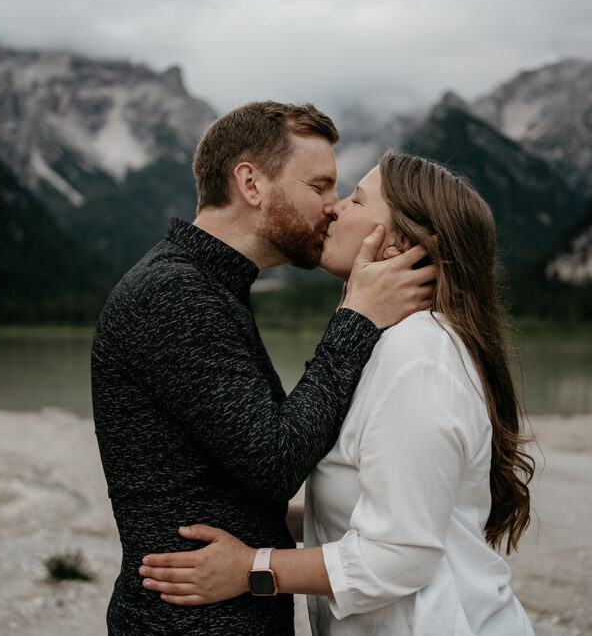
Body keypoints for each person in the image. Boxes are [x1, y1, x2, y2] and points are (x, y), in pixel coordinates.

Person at [137, 152, 536, 635]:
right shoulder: (389, 342)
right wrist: (245, 517)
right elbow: (360, 508)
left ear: (400, 244)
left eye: (356, 198)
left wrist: (251, 569)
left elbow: (400, 554)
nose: (335, 209)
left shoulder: (418, 358)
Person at [90, 103, 437, 634]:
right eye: (320, 186)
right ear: (251, 183)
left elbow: (241, 480)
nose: (332, 207)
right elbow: (275, 460)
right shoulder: (175, 293)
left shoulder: (210, 285)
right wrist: (357, 317)